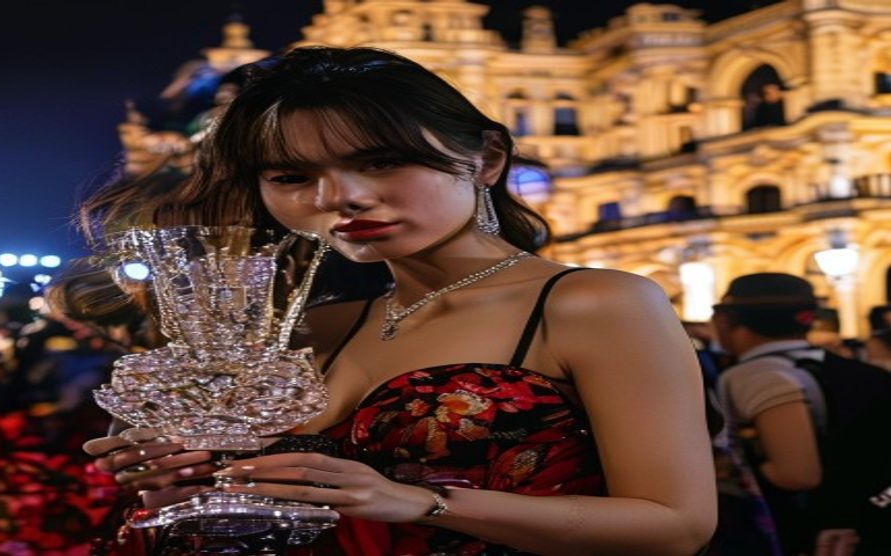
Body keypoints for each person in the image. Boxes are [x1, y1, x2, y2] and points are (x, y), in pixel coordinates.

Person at [84, 46, 716, 554]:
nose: (338, 197)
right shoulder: (310, 328)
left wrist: (419, 501)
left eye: (383, 162)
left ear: (486, 159)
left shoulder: (594, 303)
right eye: (291, 177)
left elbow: (674, 526)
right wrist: (177, 486)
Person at [712, 273, 860, 555]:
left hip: (805, 532)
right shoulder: (854, 369)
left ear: (726, 320)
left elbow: (797, 474)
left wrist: (738, 466)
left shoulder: (753, 376)